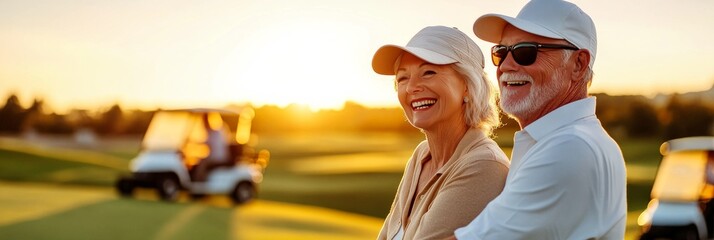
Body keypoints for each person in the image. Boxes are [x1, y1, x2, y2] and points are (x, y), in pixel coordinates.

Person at [449, 0, 627, 239]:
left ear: (578, 64)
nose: (506, 66)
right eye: (501, 52)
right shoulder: (565, 139)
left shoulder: (568, 149)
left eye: (526, 52)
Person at [372, 25, 509, 240]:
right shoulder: (421, 155)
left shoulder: (484, 166)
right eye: (402, 78)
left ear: (467, 85)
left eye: (428, 72)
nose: (411, 88)